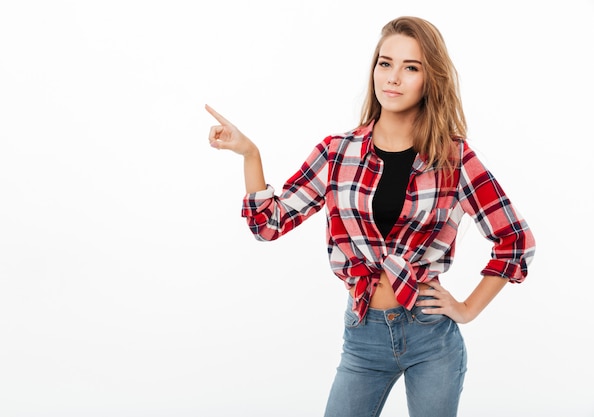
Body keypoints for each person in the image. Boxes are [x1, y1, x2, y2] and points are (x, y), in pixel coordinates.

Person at [205, 15, 535, 417]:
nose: (393, 77)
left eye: (410, 67)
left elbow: (515, 239)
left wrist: (467, 308)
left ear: (430, 78)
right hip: (363, 336)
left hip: (431, 337)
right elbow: (268, 224)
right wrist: (249, 153)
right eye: (385, 63)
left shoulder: (454, 158)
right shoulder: (337, 152)